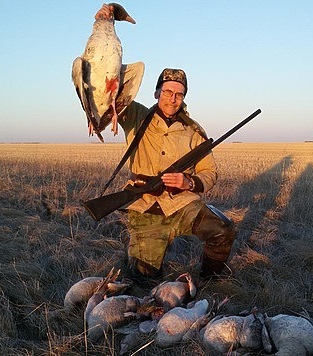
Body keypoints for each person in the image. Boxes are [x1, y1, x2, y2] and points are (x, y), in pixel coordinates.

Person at [94, 4, 235, 280]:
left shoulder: (195, 130)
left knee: (223, 230)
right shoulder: (134, 115)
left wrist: (189, 183)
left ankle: (210, 282)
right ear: (157, 91)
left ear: (184, 97)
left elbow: (210, 173)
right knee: (143, 280)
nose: (173, 98)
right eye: (167, 91)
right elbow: (106, 84)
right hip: (144, 202)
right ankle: (139, 256)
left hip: (182, 204)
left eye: (179, 94)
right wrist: (102, 28)